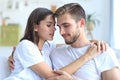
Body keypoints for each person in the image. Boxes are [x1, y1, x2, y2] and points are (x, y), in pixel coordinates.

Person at [6, 7, 108, 80]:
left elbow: (74, 42)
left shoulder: (47, 48)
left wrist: (94, 42)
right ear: (35, 27)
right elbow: (52, 76)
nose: (54, 29)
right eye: (49, 25)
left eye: (54, 25)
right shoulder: (26, 45)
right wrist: (87, 56)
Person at [47, 3, 120, 80]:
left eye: (66, 26)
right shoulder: (55, 53)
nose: (61, 32)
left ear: (82, 23)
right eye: (59, 27)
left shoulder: (102, 51)